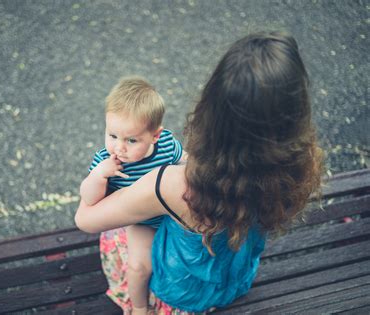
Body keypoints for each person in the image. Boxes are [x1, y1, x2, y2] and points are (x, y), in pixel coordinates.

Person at [76, 31, 323, 314]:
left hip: (182, 292)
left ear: (211, 109)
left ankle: (139, 307)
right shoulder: (294, 168)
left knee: (126, 243)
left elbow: (85, 219)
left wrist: (98, 176)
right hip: (233, 277)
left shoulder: (169, 184)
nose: (120, 147)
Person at [79, 76, 185, 314]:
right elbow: (88, 199)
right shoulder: (107, 162)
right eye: (112, 135)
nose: (119, 147)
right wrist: (98, 176)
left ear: (154, 136)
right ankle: (139, 306)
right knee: (139, 266)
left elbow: (183, 159)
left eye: (131, 140)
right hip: (142, 221)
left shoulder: (166, 144)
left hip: (173, 214)